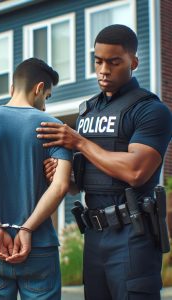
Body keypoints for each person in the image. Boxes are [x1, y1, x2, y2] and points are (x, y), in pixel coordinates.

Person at [36, 25, 172, 300]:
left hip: (133, 236)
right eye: (98, 61)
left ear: (133, 62)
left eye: (114, 62)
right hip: (95, 236)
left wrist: (79, 143)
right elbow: (86, 179)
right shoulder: (88, 111)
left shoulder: (151, 109)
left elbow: (136, 171)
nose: (103, 70)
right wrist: (68, 178)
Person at [0, 58, 72, 300]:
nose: (44, 106)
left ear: (12, 88)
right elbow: (61, 185)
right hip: (39, 246)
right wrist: (27, 228)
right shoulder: (53, 127)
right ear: (39, 88)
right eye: (47, 97)